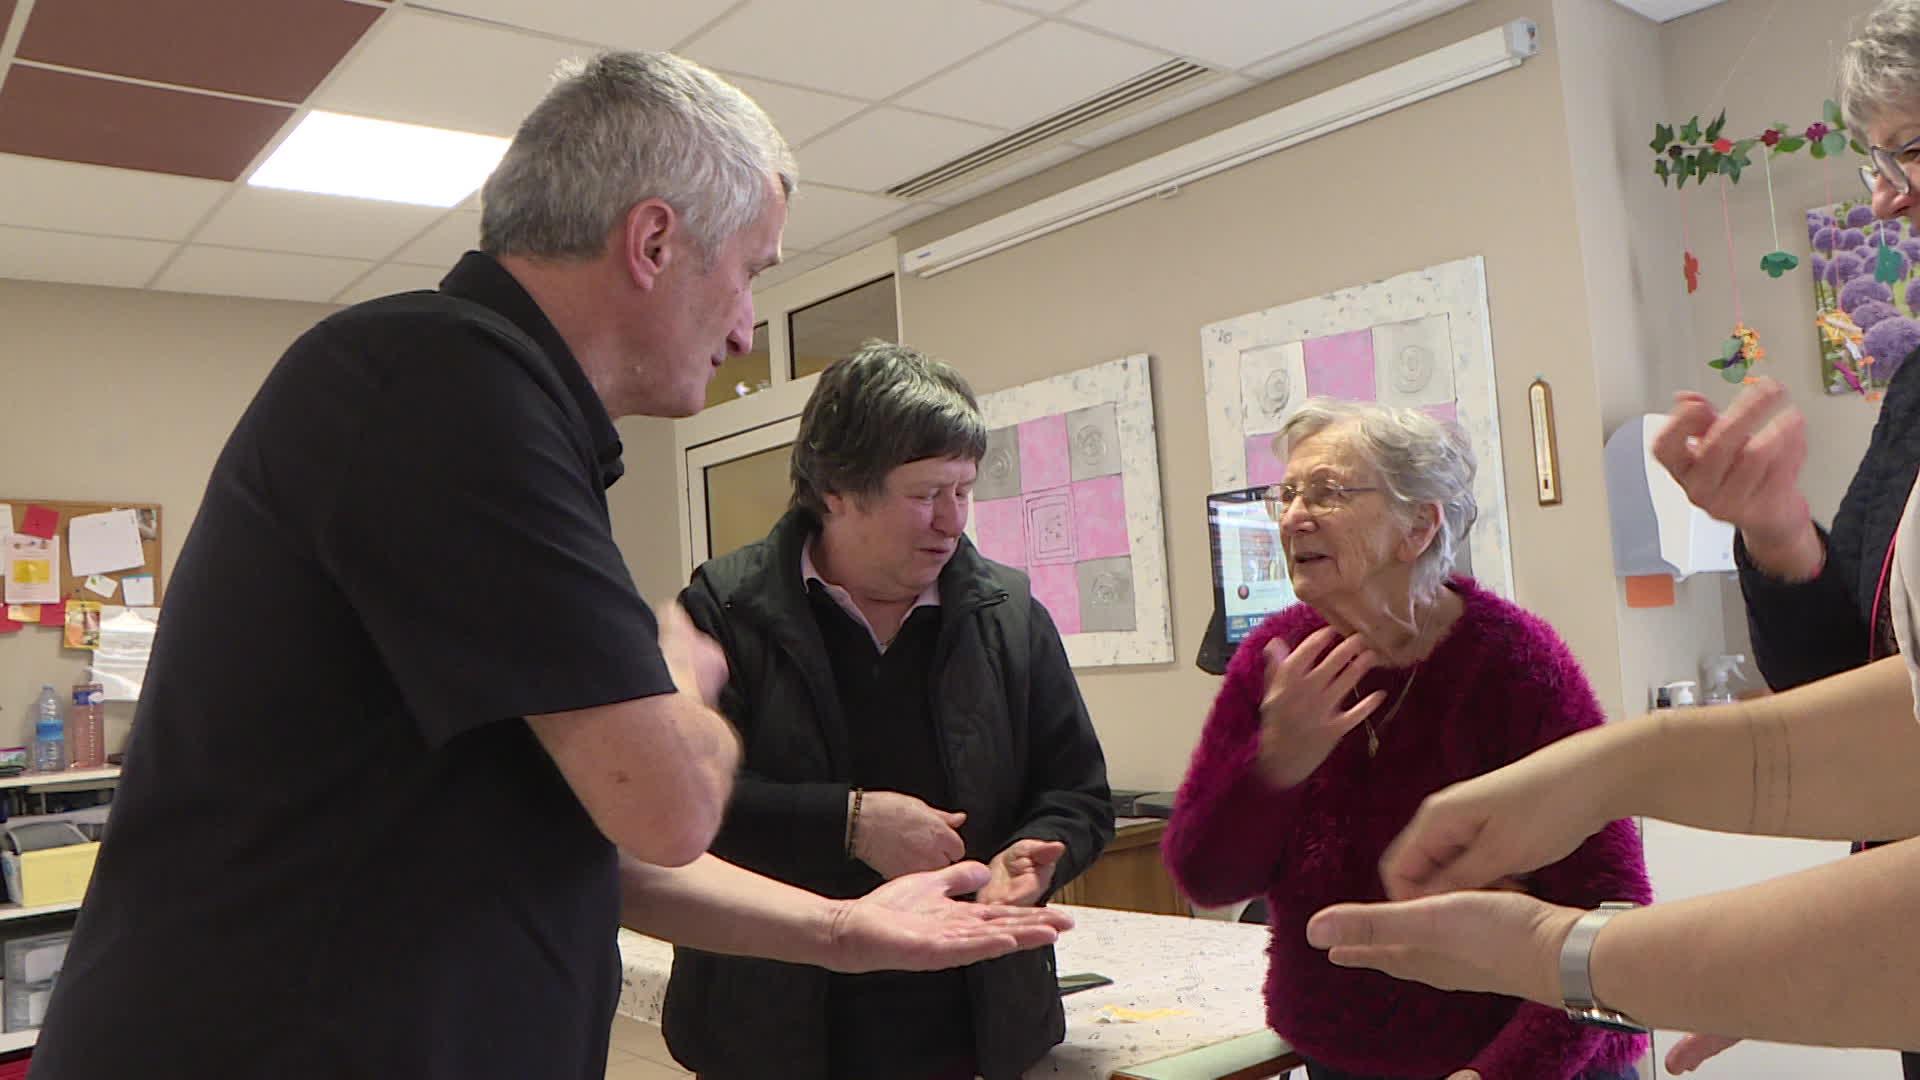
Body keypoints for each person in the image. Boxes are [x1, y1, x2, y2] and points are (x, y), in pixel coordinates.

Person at [31, 53, 1069, 1080]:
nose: (750, 326)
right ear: (655, 240)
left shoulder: (485, 413)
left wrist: (843, 931)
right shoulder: (445, 387)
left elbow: (581, 844)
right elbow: (667, 804)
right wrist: (680, 669)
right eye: (751, 271)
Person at [1300, 4, 1920, 1053]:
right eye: (1877, 162)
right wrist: (1622, 764)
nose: (1890, 196)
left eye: (1908, 152)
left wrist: (1584, 957)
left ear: (1422, 523)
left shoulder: (1505, 654)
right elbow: (1889, 697)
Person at [664, 342, 1115, 1080]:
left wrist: (1037, 855)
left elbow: (1078, 795)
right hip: (772, 1028)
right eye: (925, 493)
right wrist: (848, 821)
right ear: (836, 489)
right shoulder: (725, 608)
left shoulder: (1009, 612)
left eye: (964, 490)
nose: (952, 521)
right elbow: (683, 811)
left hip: (972, 1024)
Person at [1162, 399, 1650, 1080]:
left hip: (1525, 1064)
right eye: (1288, 493)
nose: (1293, 515)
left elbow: (1608, 910)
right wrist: (1277, 766)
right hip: (1343, 1059)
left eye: (1328, 492)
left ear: (1418, 526)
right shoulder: (1274, 659)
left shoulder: (1513, 666)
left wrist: (1496, 1075)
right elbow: (1205, 877)